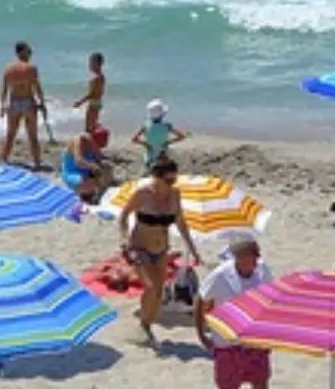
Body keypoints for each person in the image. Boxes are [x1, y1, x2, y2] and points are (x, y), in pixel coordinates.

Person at [118, 157, 202, 344]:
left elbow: (181, 222)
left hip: (162, 249)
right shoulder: (143, 194)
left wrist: (192, 249)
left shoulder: (175, 194)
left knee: (158, 293)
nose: (171, 183)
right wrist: (124, 241)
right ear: (156, 177)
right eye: (168, 180)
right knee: (150, 286)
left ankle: (146, 327)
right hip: (139, 247)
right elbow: (124, 216)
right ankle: (142, 325)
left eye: (174, 179)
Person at [196, 235, 273, 389]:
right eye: (246, 256)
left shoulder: (262, 270)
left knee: (260, 382)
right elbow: (200, 299)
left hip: (255, 341)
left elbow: (270, 301)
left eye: (253, 255)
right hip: (227, 344)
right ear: (237, 257)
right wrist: (202, 335)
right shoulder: (221, 276)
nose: (253, 259)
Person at [0, 41, 45, 169]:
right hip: (28, 101)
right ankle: (36, 163)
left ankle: (5, 158)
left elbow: (4, 89)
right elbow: (37, 88)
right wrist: (42, 103)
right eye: (29, 51)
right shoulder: (31, 68)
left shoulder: (8, 69)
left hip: (13, 102)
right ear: (22, 52)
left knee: (10, 134)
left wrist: (2, 105)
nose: (31, 53)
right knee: (32, 135)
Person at [132, 99, 187, 168]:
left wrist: (146, 144)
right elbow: (181, 136)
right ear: (162, 115)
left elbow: (134, 139)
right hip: (164, 158)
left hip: (150, 158)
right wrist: (168, 142)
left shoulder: (145, 126)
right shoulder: (167, 126)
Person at [61, 129, 110, 202]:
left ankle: (96, 189)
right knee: (85, 183)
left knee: (107, 169)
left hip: (87, 171)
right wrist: (93, 166)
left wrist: (101, 167)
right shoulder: (78, 141)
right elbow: (78, 161)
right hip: (73, 172)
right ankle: (88, 193)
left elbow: (99, 157)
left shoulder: (93, 144)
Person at [73, 51, 106, 132]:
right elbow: (101, 92)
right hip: (98, 102)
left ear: (96, 64)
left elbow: (91, 94)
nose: (89, 65)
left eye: (91, 63)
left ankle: (90, 143)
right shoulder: (102, 77)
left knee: (88, 128)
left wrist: (80, 102)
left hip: (93, 103)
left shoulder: (96, 78)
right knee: (93, 125)